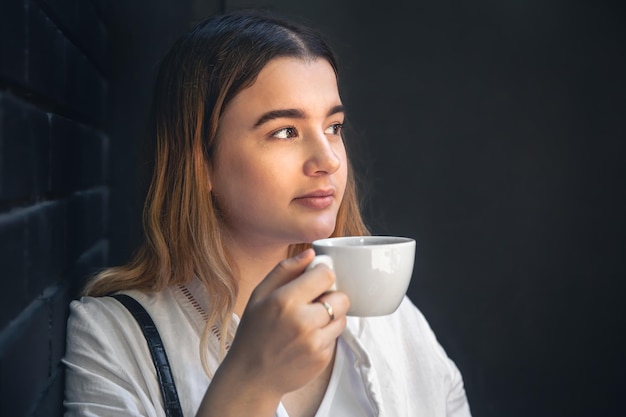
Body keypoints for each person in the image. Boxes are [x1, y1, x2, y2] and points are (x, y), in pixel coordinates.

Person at [63, 8, 472, 417]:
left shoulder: (392, 319)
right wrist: (251, 382)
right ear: (201, 164)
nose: (327, 159)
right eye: (284, 131)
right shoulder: (114, 338)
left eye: (334, 127)